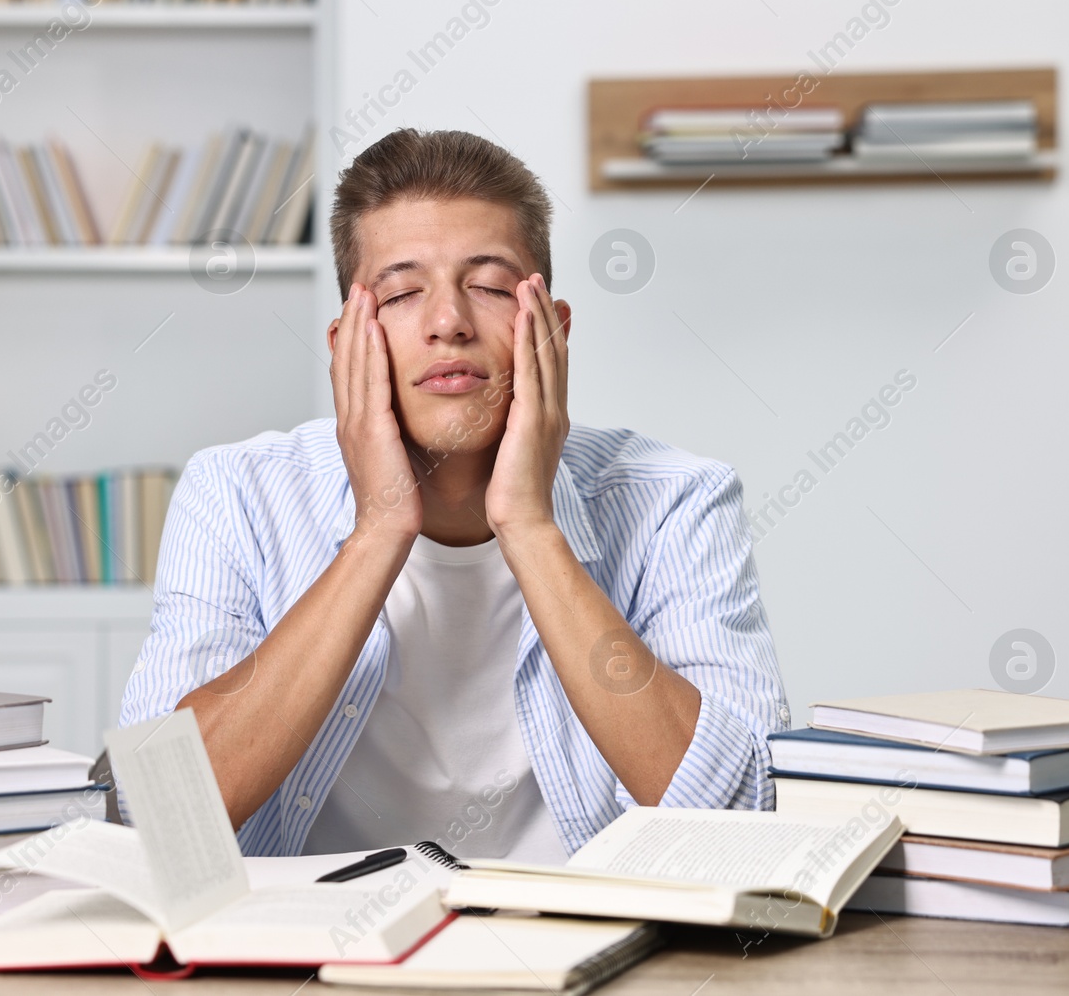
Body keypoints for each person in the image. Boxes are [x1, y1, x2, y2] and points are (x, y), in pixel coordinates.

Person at [121, 128, 788, 862]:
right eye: (404, 293)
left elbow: (742, 820)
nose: (449, 323)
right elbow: (159, 816)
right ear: (346, 345)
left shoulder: (677, 502)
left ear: (553, 334)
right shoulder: (237, 496)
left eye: (493, 287)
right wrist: (375, 532)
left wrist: (532, 529)